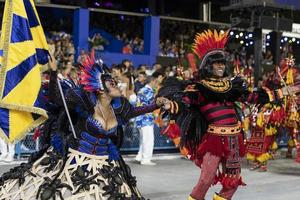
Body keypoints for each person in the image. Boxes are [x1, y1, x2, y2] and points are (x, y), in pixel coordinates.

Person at [0, 53, 167, 199]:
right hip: (75, 160)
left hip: (104, 164)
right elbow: (56, 97)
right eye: (112, 83)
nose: (116, 83)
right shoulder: (85, 103)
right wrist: (53, 72)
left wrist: (156, 105)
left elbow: (134, 111)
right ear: (101, 90)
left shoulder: (120, 107)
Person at [158, 30, 263, 200]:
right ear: (209, 65)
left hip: (234, 140)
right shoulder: (199, 88)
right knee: (206, 179)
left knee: (233, 181)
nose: (221, 66)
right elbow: (185, 103)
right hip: (213, 140)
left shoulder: (231, 87)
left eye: (222, 63)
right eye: (217, 63)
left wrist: (283, 91)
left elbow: (252, 97)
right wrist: (170, 104)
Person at [135, 71, 164, 165]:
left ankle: (139, 156)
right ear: (153, 81)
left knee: (143, 139)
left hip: (139, 118)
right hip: (146, 119)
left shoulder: (141, 90)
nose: (157, 85)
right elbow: (153, 105)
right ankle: (146, 159)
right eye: (157, 83)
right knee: (148, 140)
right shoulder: (148, 91)